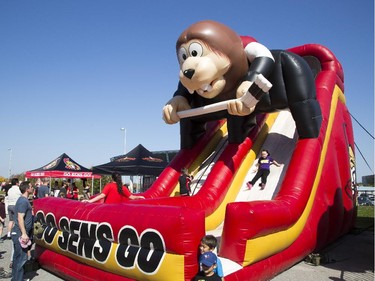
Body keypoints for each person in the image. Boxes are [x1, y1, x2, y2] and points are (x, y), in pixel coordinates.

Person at [11, 181, 34, 281]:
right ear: (27, 189)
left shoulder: (24, 200)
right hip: (20, 233)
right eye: (31, 187)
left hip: (19, 232)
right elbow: (20, 217)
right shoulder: (23, 201)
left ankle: (16, 279)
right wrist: (24, 234)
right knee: (21, 259)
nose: (32, 188)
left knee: (18, 259)